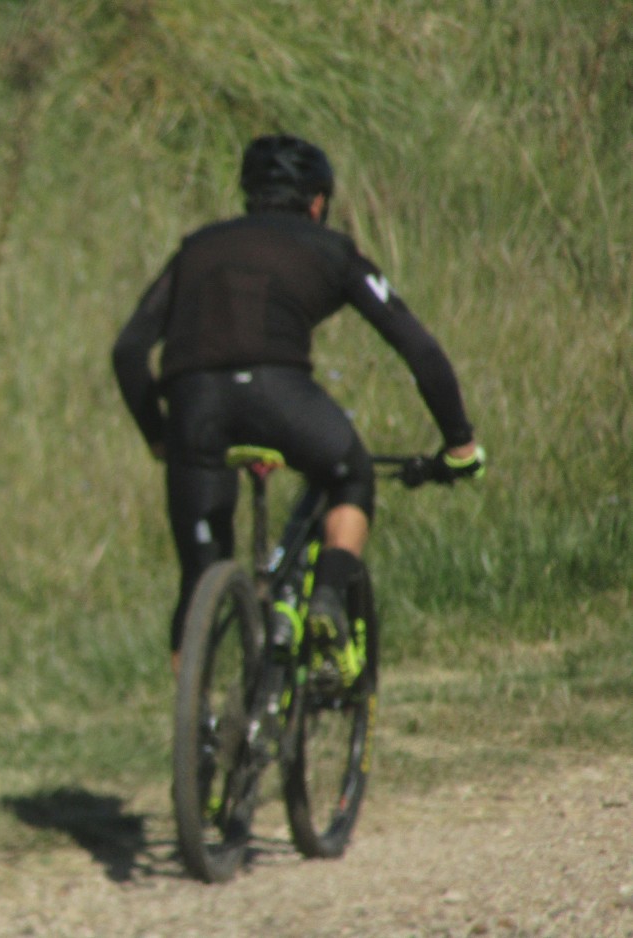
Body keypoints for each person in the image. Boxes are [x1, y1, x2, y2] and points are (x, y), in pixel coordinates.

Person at [112, 133, 485, 680]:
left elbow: (127, 352)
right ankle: (328, 598)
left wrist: (159, 436)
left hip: (195, 409)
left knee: (197, 579)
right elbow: (418, 348)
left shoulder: (197, 247)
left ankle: (198, 736)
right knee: (351, 474)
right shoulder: (332, 248)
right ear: (317, 202)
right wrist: (458, 443)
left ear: (249, 196)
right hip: (279, 398)